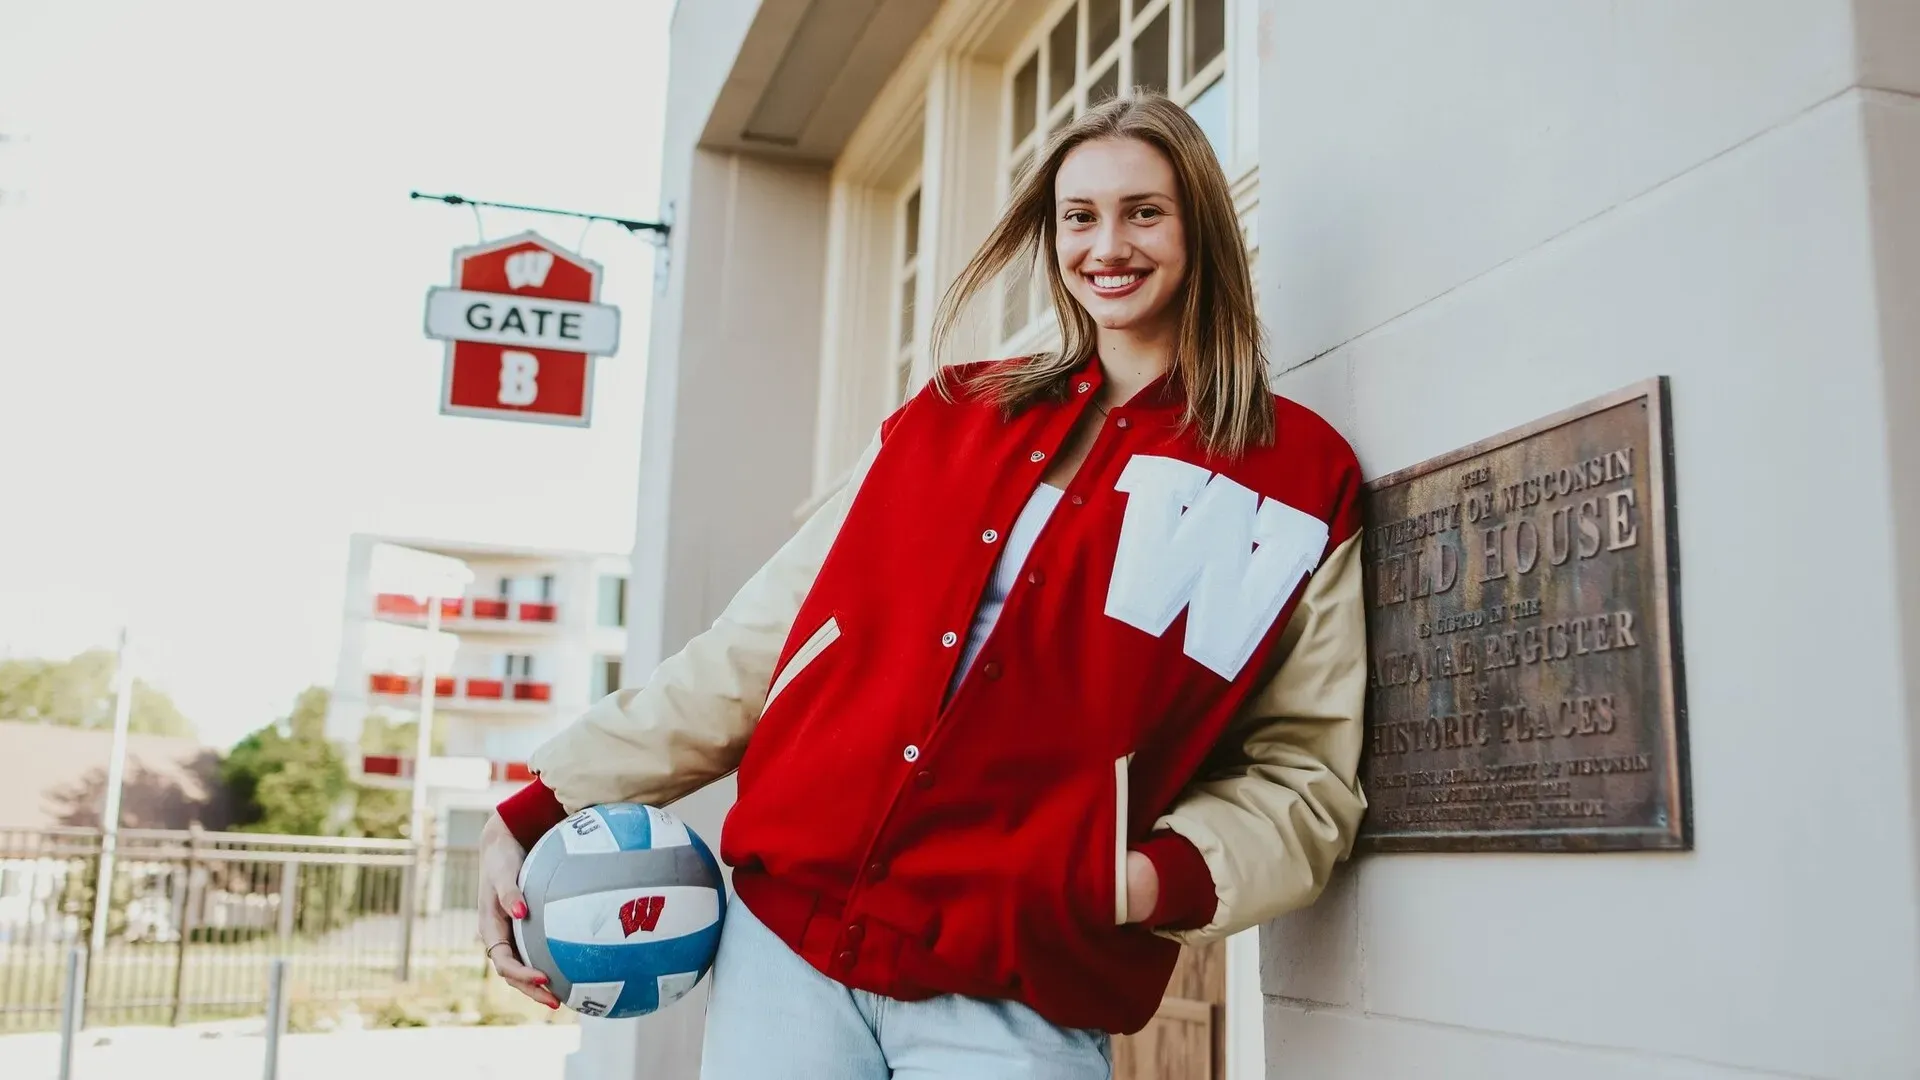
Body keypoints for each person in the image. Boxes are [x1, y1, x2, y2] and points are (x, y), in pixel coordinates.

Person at [477, 92, 1368, 1080]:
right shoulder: (949, 417)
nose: (1108, 244)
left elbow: (1306, 777)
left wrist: (1131, 884)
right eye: (1080, 216)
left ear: (1200, 222)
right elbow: (758, 649)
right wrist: (541, 801)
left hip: (1017, 982)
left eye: (1144, 211)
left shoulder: (1291, 482)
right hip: (788, 948)